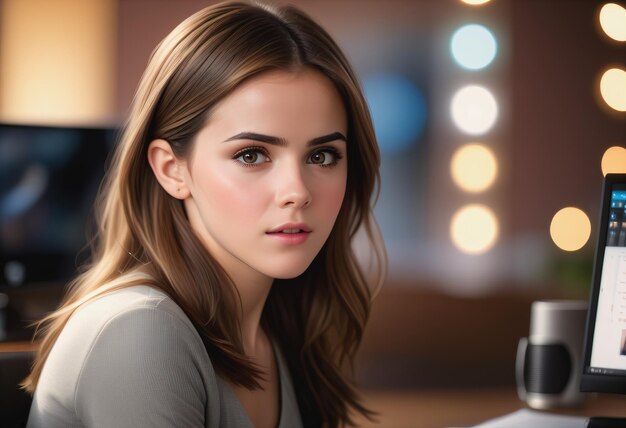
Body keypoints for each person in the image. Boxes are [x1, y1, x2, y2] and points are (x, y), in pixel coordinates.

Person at [23, 1, 385, 427]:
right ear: (171, 169)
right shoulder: (142, 332)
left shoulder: (282, 333)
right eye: (252, 155)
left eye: (322, 155)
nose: (297, 192)